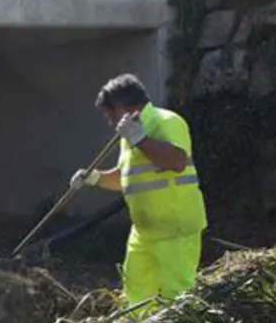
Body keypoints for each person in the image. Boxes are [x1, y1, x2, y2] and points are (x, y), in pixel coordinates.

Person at [69, 73, 207, 310]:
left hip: (175, 230)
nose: (109, 121)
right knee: (136, 295)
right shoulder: (129, 136)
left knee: (175, 298)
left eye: (110, 113)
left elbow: (176, 162)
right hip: (144, 233)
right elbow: (125, 179)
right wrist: (94, 177)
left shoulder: (166, 122)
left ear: (123, 107)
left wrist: (140, 139)